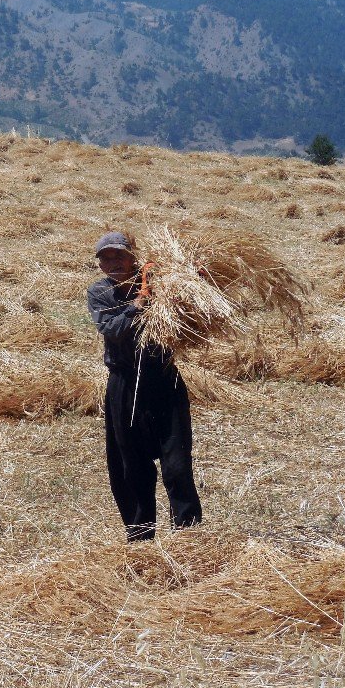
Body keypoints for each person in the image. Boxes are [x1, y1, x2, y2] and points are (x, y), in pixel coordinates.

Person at [86, 231, 202, 542]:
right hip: (123, 385)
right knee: (131, 466)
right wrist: (136, 306)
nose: (112, 263)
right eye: (105, 258)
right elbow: (110, 329)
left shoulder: (160, 284)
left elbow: (193, 309)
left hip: (163, 380)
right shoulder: (100, 293)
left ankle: (188, 535)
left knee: (177, 463)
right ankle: (140, 537)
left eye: (118, 256)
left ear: (132, 257)